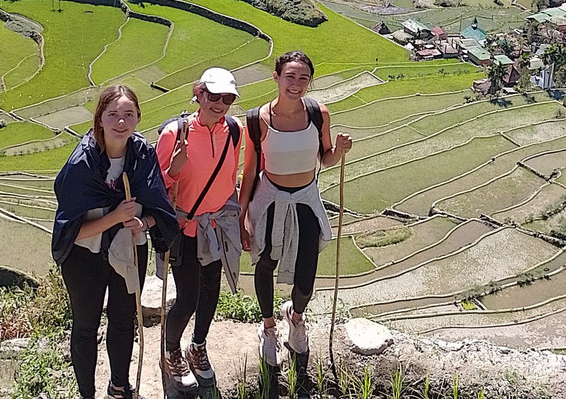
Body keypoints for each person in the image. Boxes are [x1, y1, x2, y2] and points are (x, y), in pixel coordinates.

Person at [52, 85, 178, 399]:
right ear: (100, 119)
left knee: (123, 321)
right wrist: (114, 216)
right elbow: (71, 231)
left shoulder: (143, 155)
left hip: (129, 250)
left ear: (137, 118)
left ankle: (119, 387)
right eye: (113, 115)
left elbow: (158, 207)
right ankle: (86, 393)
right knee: (85, 325)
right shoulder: (83, 163)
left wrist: (143, 222)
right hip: (85, 257)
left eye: (128, 115)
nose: (121, 122)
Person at [238, 50, 353, 368]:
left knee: (307, 275)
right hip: (269, 198)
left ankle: (295, 316)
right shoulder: (257, 119)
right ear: (276, 77)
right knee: (265, 264)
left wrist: (339, 151)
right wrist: (242, 214)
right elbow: (249, 171)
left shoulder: (319, 114)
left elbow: (325, 158)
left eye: (304, 78)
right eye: (290, 76)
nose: (297, 84)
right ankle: (268, 326)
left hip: (305, 200)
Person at [154, 68, 243, 388]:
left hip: (217, 225)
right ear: (199, 93)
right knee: (188, 297)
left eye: (228, 98)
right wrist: (173, 171)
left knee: (211, 290)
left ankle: (198, 346)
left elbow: (229, 178)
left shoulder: (234, 131)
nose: (221, 103)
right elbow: (157, 189)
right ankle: (170, 351)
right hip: (185, 229)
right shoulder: (174, 134)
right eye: (214, 96)